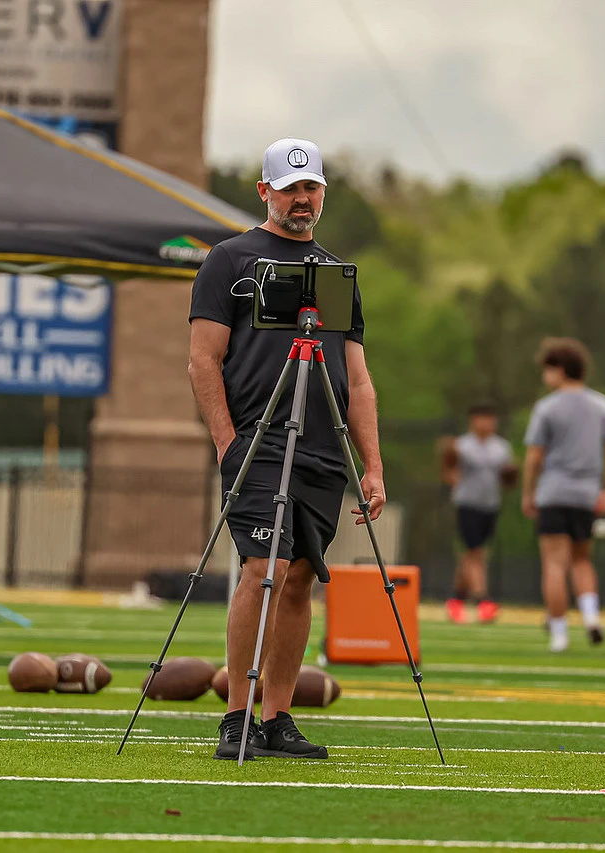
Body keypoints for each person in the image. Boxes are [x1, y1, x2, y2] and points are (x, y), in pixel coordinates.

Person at [189, 138, 385, 760]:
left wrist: (372, 464)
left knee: (300, 577)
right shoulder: (229, 260)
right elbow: (203, 359)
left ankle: (278, 718)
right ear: (265, 192)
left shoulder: (335, 274)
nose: (302, 199)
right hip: (259, 438)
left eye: (312, 188)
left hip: (324, 446)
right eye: (290, 188)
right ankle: (236, 718)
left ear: (323, 192)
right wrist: (227, 441)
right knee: (261, 569)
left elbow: (356, 378)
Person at [521, 338, 605, 652]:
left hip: (554, 492)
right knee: (582, 560)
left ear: (560, 370)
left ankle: (559, 633)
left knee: (554, 563)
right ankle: (592, 618)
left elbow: (535, 456)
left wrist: (528, 492)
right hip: (586, 494)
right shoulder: (602, 404)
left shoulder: (547, 407)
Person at [440, 402, 516, 624]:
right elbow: (448, 469)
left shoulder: (502, 447)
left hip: (490, 505)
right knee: (475, 552)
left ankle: (455, 600)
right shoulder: (462, 445)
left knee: (474, 555)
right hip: (467, 503)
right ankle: (484, 601)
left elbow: (507, 479)